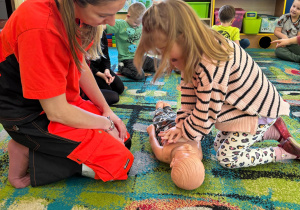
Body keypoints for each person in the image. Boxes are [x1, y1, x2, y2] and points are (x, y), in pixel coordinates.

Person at [134, 0, 300, 170]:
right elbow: (189, 97)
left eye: (172, 58)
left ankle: (286, 152)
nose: (171, 63)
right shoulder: (190, 52)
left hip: (257, 110)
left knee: (226, 157)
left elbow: (206, 111)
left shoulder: (210, 64)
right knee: (216, 145)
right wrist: (180, 125)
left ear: (183, 36)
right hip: (239, 107)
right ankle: (273, 131)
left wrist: (185, 131)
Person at [0, 0, 134, 189]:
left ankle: (36, 147)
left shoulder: (71, 14)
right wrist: (106, 123)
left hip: (59, 102)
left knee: (124, 140)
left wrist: (106, 111)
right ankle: (28, 152)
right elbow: (57, 112)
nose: (111, 22)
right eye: (103, 15)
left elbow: (80, 67)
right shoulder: (40, 27)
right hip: (30, 116)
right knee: (120, 164)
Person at [147, 101, 205, 190]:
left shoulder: (163, 154)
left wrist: (151, 132)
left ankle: (159, 107)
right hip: (181, 126)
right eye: (191, 152)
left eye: (185, 152)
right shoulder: (199, 155)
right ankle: (167, 107)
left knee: (159, 116)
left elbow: (152, 141)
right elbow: (198, 140)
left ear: (172, 162)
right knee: (174, 115)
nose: (188, 147)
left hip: (163, 127)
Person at [104, 2, 155, 80]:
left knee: (160, 64)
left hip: (140, 57)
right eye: (135, 23)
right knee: (139, 75)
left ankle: (139, 67)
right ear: (128, 16)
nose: (138, 25)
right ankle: (122, 68)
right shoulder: (119, 25)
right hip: (127, 59)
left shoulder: (140, 24)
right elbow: (104, 27)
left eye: (140, 23)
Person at [85, 30, 125, 105]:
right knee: (111, 92)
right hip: (90, 72)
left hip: (101, 68)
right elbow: (86, 66)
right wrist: (101, 75)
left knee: (119, 88)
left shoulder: (101, 33)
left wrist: (107, 70)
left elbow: (106, 57)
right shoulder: (84, 36)